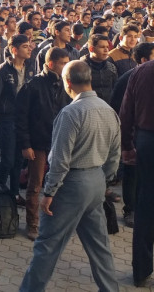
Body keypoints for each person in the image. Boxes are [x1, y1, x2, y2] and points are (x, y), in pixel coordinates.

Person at [20, 61, 120, 292]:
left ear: (67, 83)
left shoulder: (71, 113)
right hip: (96, 181)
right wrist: (103, 180)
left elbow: (60, 159)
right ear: (90, 79)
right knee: (99, 246)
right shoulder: (109, 111)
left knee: (47, 245)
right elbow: (115, 155)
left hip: (71, 184)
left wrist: (49, 192)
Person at [16, 47, 71, 241]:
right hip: (37, 143)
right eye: (63, 63)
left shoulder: (66, 85)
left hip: (59, 142)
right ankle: (32, 223)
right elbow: (21, 118)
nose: (66, 67)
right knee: (35, 185)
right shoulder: (33, 85)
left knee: (59, 183)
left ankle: (55, 222)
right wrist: (26, 145)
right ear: (51, 64)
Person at [0, 34, 34, 206]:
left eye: (29, 46)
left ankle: (14, 194)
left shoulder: (30, 68)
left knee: (19, 160)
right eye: (25, 47)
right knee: (7, 160)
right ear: (14, 50)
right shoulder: (2, 71)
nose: (29, 49)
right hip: (8, 119)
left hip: (24, 119)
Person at [120, 58, 154, 287]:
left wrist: (127, 145)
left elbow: (126, 113)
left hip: (146, 141)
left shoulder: (141, 71)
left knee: (145, 205)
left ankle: (141, 271)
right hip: (146, 138)